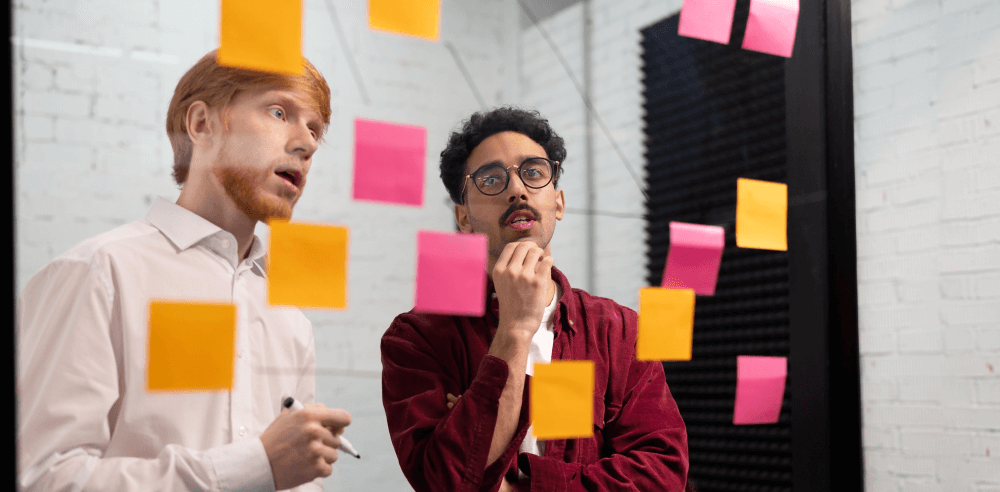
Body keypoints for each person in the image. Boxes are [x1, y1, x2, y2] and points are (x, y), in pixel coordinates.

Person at [17, 50, 351, 491]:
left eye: (315, 130)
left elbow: (292, 476)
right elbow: (42, 477)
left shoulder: (289, 318)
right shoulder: (99, 273)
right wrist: (253, 466)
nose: (306, 143)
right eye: (279, 111)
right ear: (201, 125)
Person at [381, 107, 689, 491]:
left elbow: (661, 474)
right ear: (464, 217)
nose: (516, 189)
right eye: (491, 178)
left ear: (557, 203)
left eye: (533, 172)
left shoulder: (619, 331)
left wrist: (529, 484)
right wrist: (515, 328)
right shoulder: (417, 338)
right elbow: (447, 482)